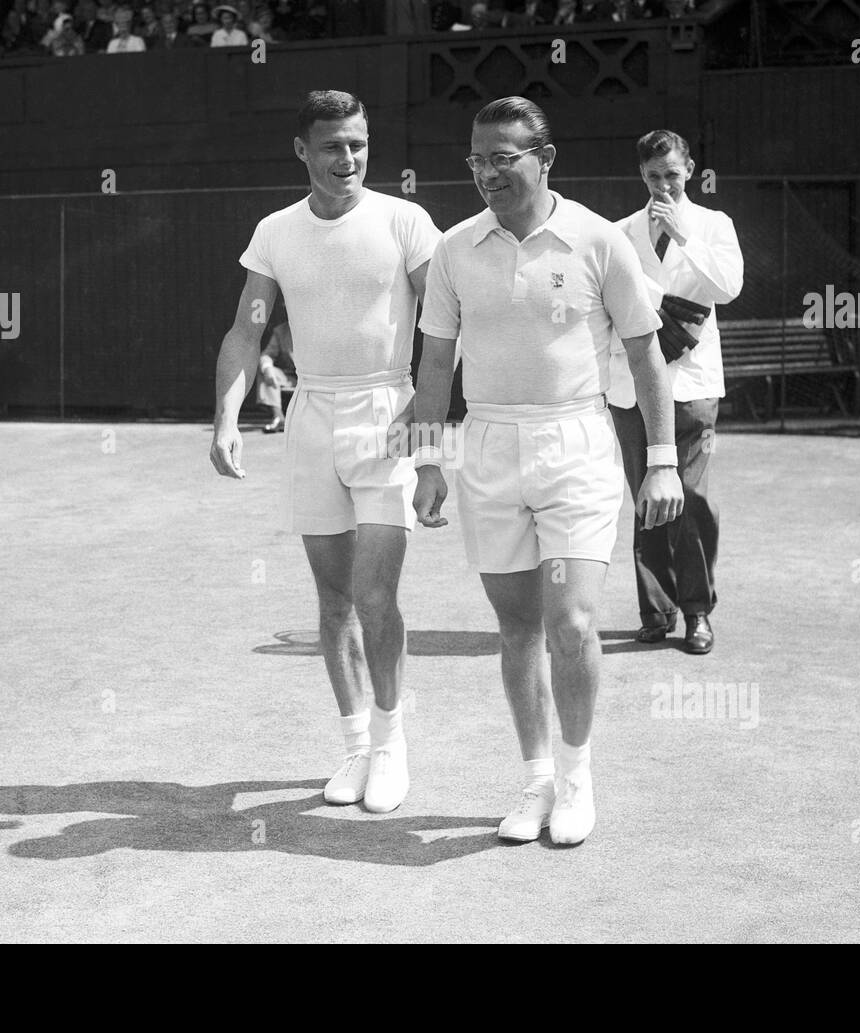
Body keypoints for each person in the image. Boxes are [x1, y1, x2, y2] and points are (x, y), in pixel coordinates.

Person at [412, 97, 684, 846]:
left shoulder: (598, 240)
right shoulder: (453, 249)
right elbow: (436, 363)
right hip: (489, 445)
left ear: (545, 159)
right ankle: (534, 781)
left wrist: (661, 461)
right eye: (477, 160)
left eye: (504, 157)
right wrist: (430, 458)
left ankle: (575, 778)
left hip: (577, 443)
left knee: (571, 621)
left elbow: (644, 353)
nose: (488, 173)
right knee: (517, 628)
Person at [210, 90, 441, 814]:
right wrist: (225, 414)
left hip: (389, 413)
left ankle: (392, 742)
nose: (349, 159)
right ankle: (354, 746)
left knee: (377, 596)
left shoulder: (405, 221)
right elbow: (248, 330)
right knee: (334, 598)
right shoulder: (275, 232)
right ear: (302, 150)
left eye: (359, 144)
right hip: (312, 417)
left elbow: (444, 330)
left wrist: (429, 431)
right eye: (334, 145)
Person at [607, 130, 743, 657]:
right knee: (645, 500)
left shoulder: (714, 224)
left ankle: (697, 612)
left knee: (692, 499)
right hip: (633, 383)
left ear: (689, 168)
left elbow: (727, 288)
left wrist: (684, 235)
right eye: (653, 176)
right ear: (641, 176)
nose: (663, 185)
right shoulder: (619, 232)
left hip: (693, 382)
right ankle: (656, 610)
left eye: (672, 174)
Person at [257, 318, 296, 432]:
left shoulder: (317, 325)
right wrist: (267, 367)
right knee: (266, 369)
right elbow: (267, 355)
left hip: (316, 376)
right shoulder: (281, 331)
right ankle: (279, 417)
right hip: (293, 377)